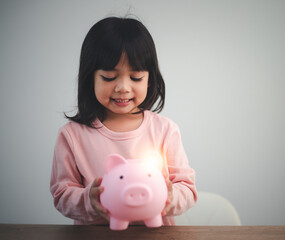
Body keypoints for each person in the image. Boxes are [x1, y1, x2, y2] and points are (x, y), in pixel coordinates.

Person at [50, 17, 197, 226]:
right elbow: (61, 194)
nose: (123, 88)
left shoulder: (165, 130)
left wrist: (171, 197)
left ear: (150, 79)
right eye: (109, 77)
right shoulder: (72, 135)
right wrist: (88, 200)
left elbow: (188, 188)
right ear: (90, 78)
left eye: (135, 77)